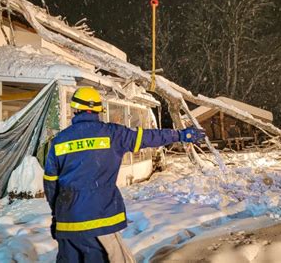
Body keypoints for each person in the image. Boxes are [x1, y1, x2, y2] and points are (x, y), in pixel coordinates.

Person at [44, 87, 205, 263]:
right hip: (99, 220)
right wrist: (180, 134)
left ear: (75, 109)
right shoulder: (113, 134)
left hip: (67, 221)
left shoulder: (59, 141)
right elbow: (149, 137)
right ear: (99, 109)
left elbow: (51, 184)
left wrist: (57, 214)